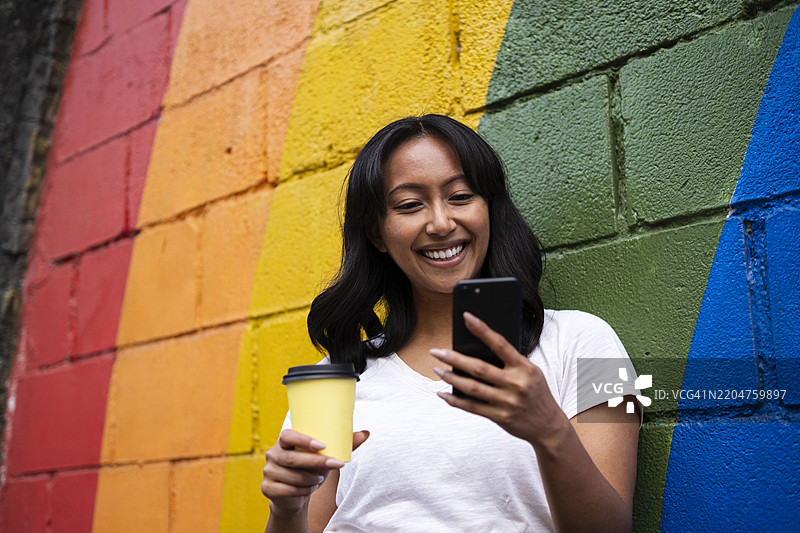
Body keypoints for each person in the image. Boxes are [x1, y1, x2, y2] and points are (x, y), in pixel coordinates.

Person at [261, 114, 640, 532]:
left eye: (460, 197)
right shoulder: (334, 378)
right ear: (377, 234)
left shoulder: (587, 343)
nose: (441, 223)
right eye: (409, 205)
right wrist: (286, 508)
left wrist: (549, 430)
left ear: (489, 209)